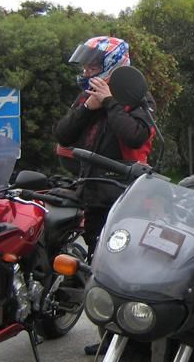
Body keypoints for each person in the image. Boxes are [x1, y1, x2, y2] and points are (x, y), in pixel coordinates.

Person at [54, 36, 156, 261]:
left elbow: (135, 137)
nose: (86, 72)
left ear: (112, 65)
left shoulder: (137, 97)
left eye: (92, 68)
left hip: (125, 196)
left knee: (119, 257)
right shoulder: (87, 97)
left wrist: (110, 102)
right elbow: (63, 135)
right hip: (91, 191)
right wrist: (86, 109)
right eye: (85, 67)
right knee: (92, 254)